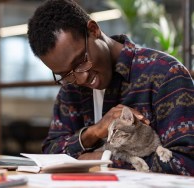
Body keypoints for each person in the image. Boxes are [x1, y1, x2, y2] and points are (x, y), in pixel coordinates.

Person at [27, 0, 194, 176]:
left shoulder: (165, 74)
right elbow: (51, 153)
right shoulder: (71, 86)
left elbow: (187, 163)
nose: (81, 78)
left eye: (81, 62)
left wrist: (102, 160)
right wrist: (93, 133)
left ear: (93, 30)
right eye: (65, 74)